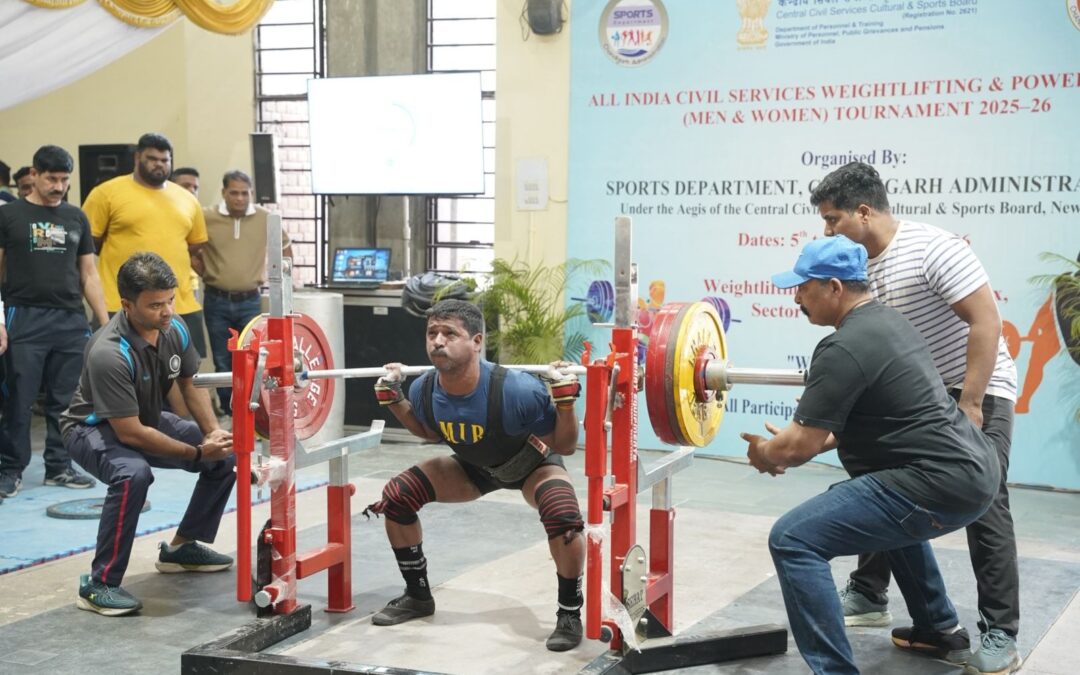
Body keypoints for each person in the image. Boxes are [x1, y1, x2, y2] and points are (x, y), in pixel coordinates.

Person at [740, 235, 998, 674]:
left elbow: (798, 447)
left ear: (834, 287)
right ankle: (938, 630)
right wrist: (801, 440)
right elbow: (881, 421)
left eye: (804, 286)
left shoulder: (843, 347)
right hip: (972, 471)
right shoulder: (890, 323)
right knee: (882, 510)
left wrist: (768, 452)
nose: (796, 297)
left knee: (793, 538)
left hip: (937, 482)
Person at [811, 162, 1020, 674]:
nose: (828, 231)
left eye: (834, 219)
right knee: (879, 483)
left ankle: (1001, 634)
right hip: (917, 396)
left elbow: (986, 321)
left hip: (976, 386)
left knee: (986, 500)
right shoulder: (856, 267)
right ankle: (870, 593)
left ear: (864, 211)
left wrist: (970, 404)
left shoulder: (932, 249)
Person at [366, 299, 586, 651]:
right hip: (474, 468)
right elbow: (430, 433)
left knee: (563, 514)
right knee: (398, 495)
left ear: (477, 341)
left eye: (449, 333)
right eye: (432, 333)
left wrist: (565, 403)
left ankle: (569, 614)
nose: (438, 341)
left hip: (532, 466)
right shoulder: (424, 388)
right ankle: (418, 596)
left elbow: (565, 445)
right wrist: (394, 400)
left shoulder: (517, 389)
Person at [60, 252, 236, 616]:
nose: (167, 311)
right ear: (127, 305)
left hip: (144, 419)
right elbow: (131, 434)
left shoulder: (175, 327)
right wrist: (197, 453)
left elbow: (190, 384)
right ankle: (99, 585)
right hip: (92, 428)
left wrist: (213, 436)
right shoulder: (108, 352)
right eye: (155, 305)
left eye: (170, 300)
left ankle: (181, 548)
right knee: (133, 474)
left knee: (226, 455)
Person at [0, 145, 107, 498]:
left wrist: (105, 322)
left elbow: (88, 274)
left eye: (64, 179)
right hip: (24, 316)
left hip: (69, 319)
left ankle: (59, 467)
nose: (58, 186)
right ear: (34, 174)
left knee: (67, 400)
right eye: (51, 179)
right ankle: (10, 470)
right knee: (19, 399)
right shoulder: (9, 216)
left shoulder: (76, 217)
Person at [82, 133, 209, 361]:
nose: (159, 164)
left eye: (165, 159)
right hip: (121, 304)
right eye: (152, 159)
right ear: (137, 157)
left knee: (185, 371)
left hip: (180, 305)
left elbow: (195, 245)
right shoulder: (105, 193)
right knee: (121, 369)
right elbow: (89, 245)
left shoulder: (187, 199)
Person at [195, 170, 291, 415]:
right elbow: (190, 248)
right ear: (224, 193)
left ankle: (251, 409)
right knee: (222, 359)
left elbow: (285, 247)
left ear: (251, 194)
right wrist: (206, 272)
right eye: (234, 193)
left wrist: (284, 282)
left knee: (252, 357)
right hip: (216, 299)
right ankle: (230, 411)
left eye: (244, 193)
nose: (239, 198)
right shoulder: (206, 217)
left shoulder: (265, 218)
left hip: (250, 300)